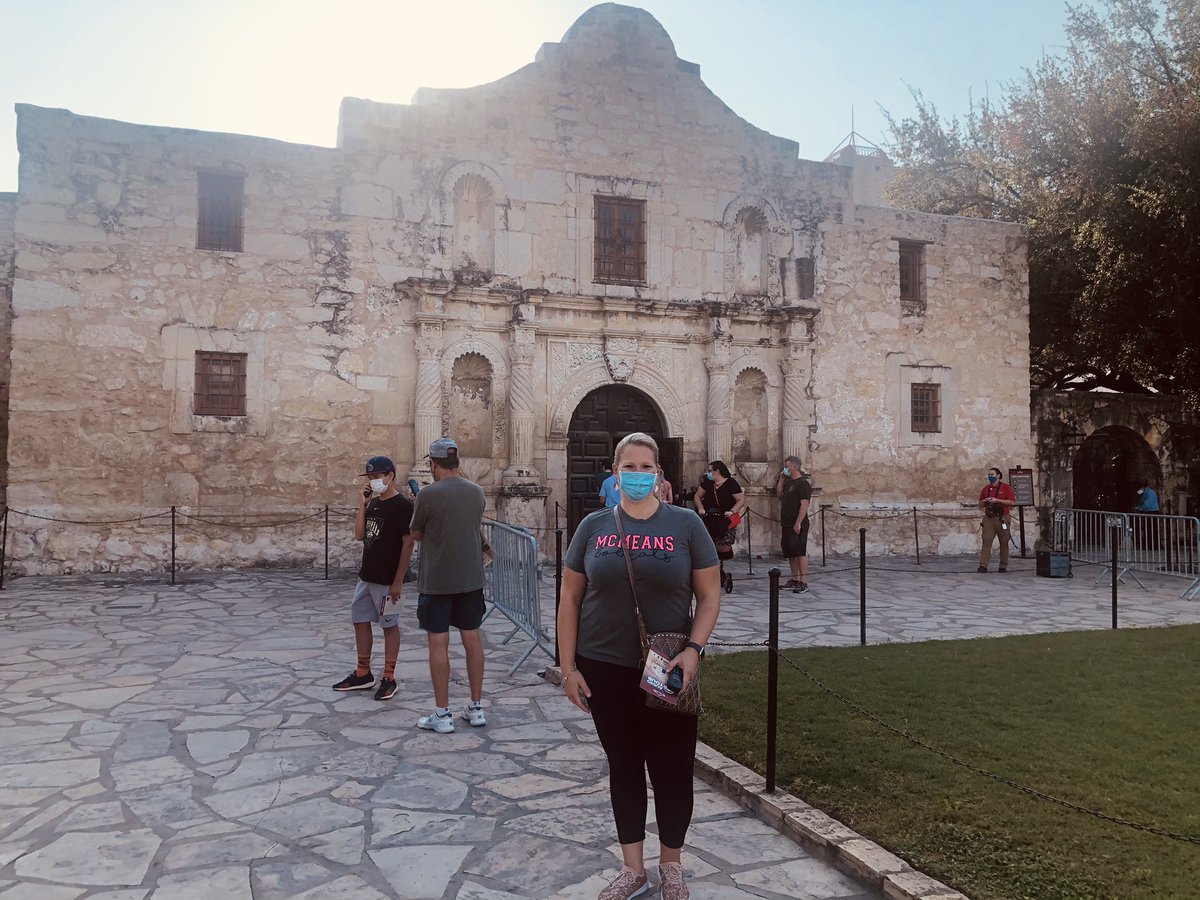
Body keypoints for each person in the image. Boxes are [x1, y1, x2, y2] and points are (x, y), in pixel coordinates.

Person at [559, 432, 721, 900]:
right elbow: (570, 599)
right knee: (624, 765)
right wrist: (569, 667)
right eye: (628, 467)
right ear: (615, 474)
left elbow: (709, 596)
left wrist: (694, 649)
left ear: (659, 475)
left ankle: (671, 863)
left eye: (645, 467)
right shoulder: (592, 527)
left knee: (672, 765)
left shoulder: (686, 525)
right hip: (604, 664)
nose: (636, 475)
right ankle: (634, 868)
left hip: (667, 665)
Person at [410, 437, 488, 732]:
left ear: (432, 464)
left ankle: (442, 714)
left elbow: (416, 534)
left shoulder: (428, 495)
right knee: (473, 640)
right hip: (470, 578)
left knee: (438, 643)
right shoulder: (477, 492)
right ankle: (476, 707)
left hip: (437, 579)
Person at [332, 456, 414, 701]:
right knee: (359, 619)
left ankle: (389, 676)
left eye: (377, 476)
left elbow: (408, 543)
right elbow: (360, 535)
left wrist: (398, 580)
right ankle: (363, 671)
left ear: (390, 476)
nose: (373, 481)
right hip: (366, 575)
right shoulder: (375, 504)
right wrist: (363, 504)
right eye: (370, 477)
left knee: (389, 624)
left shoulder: (402, 506)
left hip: (388, 578)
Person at [693, 460, 745, 593]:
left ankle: (720, 569)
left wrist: (732, 511)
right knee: (708, 543)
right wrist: (701, 508)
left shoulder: (731, 483)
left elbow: (740, 500)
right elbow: (698, 496)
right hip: (710, 516)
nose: (708, 473)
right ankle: (713, 569)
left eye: (710, 471)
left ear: (718, 471)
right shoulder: (707, 483)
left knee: (723, 545)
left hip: (727, 518)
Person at [775, 456, 812, 593]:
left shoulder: (802, 484)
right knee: (790, 552)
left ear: (793, 467)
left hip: (797, 524)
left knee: (800, 552)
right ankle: (794, 578)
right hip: (787, 522)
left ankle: (804, 581)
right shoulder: (789, 482)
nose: (785, 468)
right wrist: (782, 479)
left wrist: (798, 523)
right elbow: (779, 494)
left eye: (786, 466)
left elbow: (804, 504)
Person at [977, 466, 1016, 573]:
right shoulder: (985, 489)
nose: (990, 477)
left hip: (1002, 517)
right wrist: (985, 501)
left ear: (998, 476)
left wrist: (997, 500)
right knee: (986, 541)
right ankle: (983, 565)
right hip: (989, 518)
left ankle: (1003, 565)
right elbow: (979, 504)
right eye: (989, 475)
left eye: (992, 475)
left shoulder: (1005, 488)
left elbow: (1012, 502)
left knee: (1004, 541)